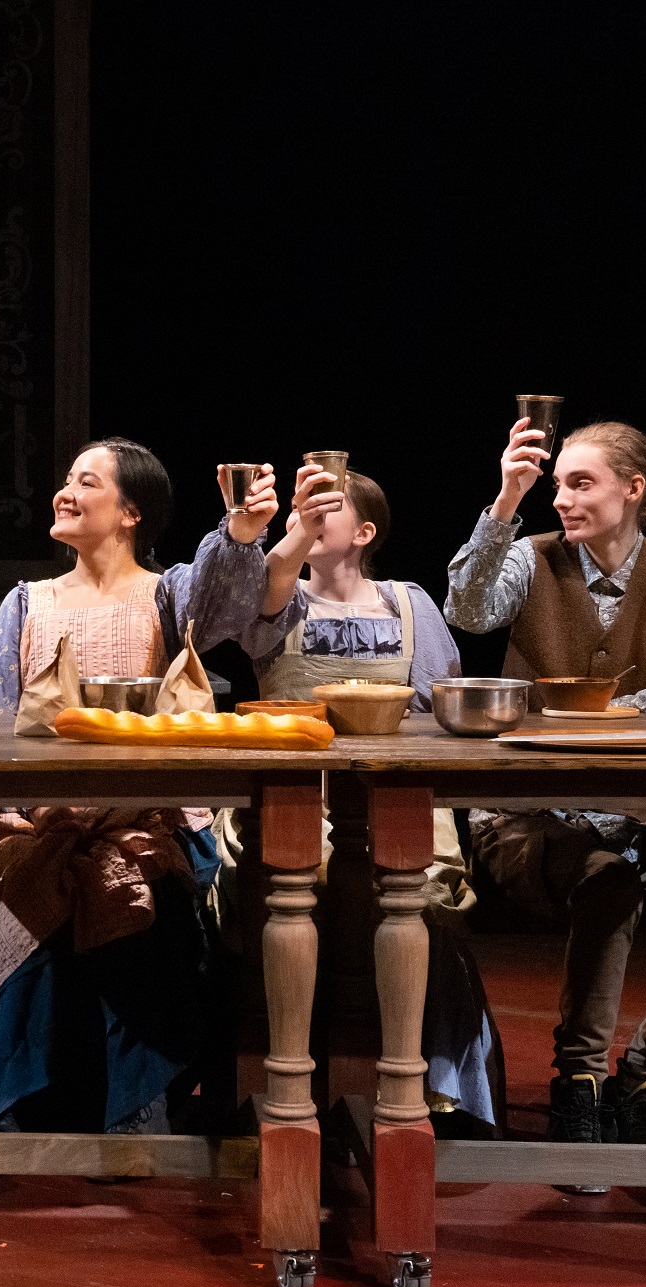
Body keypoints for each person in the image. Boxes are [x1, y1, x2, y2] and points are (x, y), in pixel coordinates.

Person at [444, 419, 646, 1146]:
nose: (561, 499)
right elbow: (467, 609)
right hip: (523, 816)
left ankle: (642, 1078)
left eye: (579, 483)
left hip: (625, 820)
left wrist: (611, 711)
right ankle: (578, 1084)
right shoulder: (532, 558)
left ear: (633, 489)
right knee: (608, 884)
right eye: (557, 484)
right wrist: (507, 497)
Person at [0, 439, 276, 1133]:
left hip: (146, 828)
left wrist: (240, 531)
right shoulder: (26, 603)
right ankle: (25, 1112)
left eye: (86, 482)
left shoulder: (168, 594)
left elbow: (226, 596)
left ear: (131, 512)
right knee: (40, 895)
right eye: (66, 479)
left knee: (134, 901)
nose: (65, 492)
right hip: (47, 828)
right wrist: (28, 819)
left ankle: (137, 1109)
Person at [239, 464, 501, 1132]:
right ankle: (280, 1082)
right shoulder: (277, 596)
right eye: (302, 503)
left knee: (422, 914)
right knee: (280, 905)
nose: (308, 514)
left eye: (326, 505)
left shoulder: (407, 605)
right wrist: (291, 534)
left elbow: (441, 710)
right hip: (296, 802)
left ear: (364, 532)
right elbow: (266, 586)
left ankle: (431, 1088)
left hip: (395, 801)